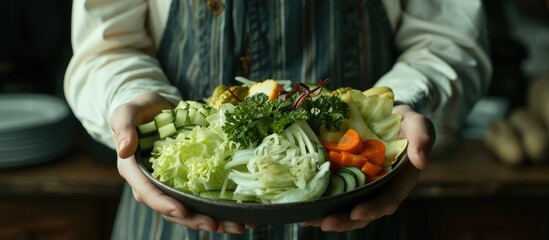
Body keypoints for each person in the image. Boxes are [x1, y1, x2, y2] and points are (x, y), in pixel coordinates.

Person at [64, 0, 491, 239]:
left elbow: (446, 41)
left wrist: (403, 104)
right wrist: (129, 98)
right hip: (170, 217)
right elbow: (107, 46)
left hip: (366, 210)